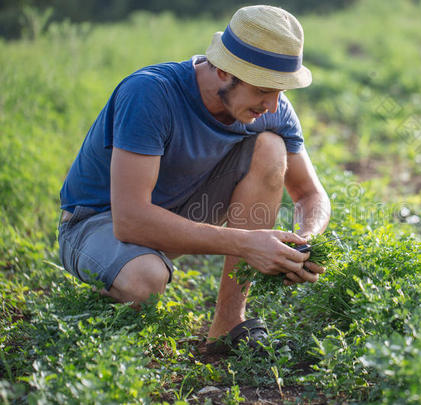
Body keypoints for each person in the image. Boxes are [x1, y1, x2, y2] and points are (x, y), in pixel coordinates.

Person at [57, 5, 331, 354]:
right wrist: (247, 243)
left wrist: (303, 242)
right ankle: (108, 289)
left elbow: (311, 194)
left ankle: (229, 326)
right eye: (264, 88)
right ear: (223, 71)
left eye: (281, 90)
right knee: (145, 279)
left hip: (177, 214)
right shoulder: (151, 93)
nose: (274, 105)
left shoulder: (272, 110)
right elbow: (129, 221)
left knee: (271, 147)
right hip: (96, 221)